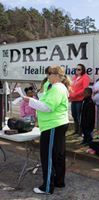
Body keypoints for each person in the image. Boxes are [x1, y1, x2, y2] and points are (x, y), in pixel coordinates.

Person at [23, 65, 69, 194]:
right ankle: (59, 181)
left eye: (49, 74)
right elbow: (44, 97)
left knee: (48, 156)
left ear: (55, 75)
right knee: (58, 155)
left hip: (52, 125)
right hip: (55, 124)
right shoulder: (54, 86)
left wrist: (30, 100)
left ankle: (47, 187)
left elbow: (48, 107)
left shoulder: (57, 88)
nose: (47, 76)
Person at [69, 64, 90, 135]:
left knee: (79, 116)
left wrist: (75, 94)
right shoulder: (74, 77)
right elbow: (71, 87)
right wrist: (70, 94)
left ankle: (80, 132)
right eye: (76, 69)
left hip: (80, 99)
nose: (77, 70)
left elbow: (84, 89)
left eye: (79, 69)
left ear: (82, 70)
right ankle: (76, 130)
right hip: (73, 99)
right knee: (74, 115)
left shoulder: (85, 77)